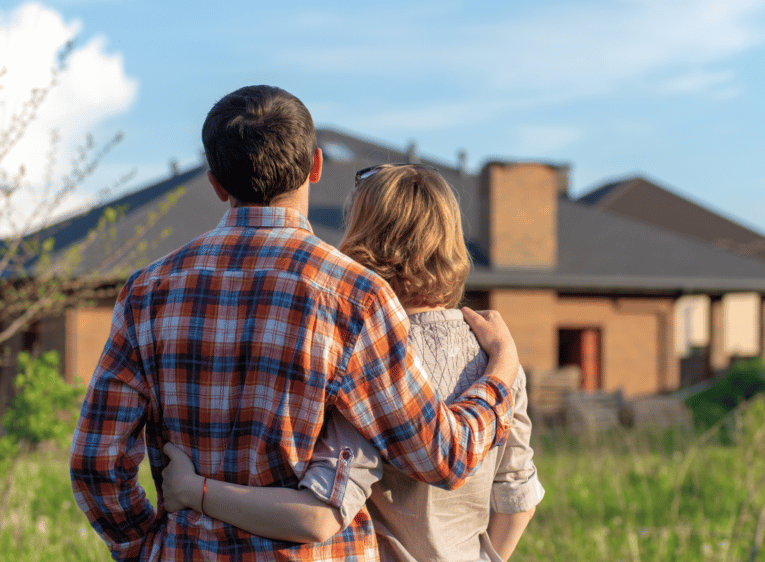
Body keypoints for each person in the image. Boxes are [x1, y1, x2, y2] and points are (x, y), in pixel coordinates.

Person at [69, 85, 520, 562]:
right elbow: (440, 457)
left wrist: (145, 547)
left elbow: (96, 464)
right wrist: (501, 375)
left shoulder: (146, 293)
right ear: (316, 166)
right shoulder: (357, 298)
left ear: (216, 183)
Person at [160, 164, 544, 561]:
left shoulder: (368, 351)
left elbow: (319, 515)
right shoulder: (497, 352)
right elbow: (519, 501)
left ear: (365, 237)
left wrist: (194, 490)